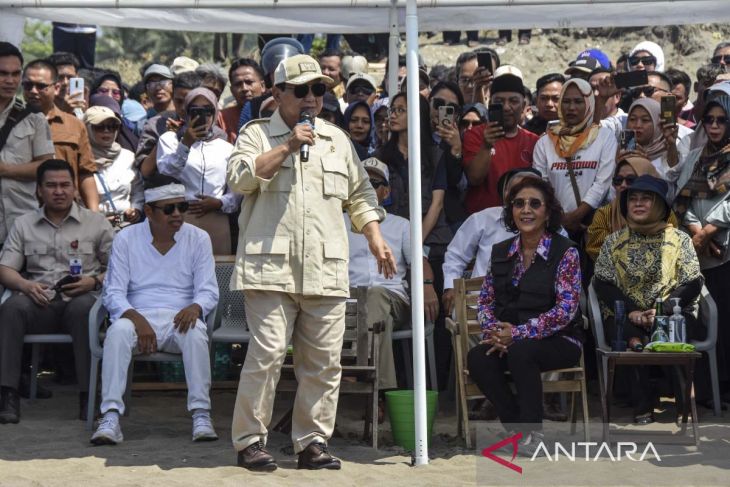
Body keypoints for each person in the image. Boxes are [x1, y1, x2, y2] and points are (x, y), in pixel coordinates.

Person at [227, 54, 396, 471]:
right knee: (266, 354)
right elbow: (240, 179)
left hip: (325, 266)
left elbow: (360, 195)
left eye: (318, 89)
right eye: (300, 90)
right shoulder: (256, 134)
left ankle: (312, 442)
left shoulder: (338, 140)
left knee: (323, 362)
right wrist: (287, 145)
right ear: (278, 93)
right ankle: (250, 441)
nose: (311, 98)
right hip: (271, 267)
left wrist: (374, 235)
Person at [90, 183, 219, 445]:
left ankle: (201, 414)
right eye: (168, 209)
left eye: (182, 207)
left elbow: (208, 290)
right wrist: (137, 319)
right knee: (117, 333)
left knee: (195, 333)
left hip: (180, 317)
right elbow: (113, 292)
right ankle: (110, 417)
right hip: (136, 315)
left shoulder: (198, 237)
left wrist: (195, 307)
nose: (177, 214)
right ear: (148, 211)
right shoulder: (126, 238)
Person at [466, 177, 583, 454]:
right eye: (519, 204)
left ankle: (533, 433)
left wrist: (516, 334)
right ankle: (518, 430)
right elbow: (485, 302)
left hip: (559, 339)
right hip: (511, 339)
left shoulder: (565, 252)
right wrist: (495, 332)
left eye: (534, 204)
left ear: (548, 212)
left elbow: (565, 310)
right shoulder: (502, 252)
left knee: (521, 352)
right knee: (478, 358)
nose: (526, 210)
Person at [0, 159, 114, 424]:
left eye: (65, 185)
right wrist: (26, 285)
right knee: (10, 309)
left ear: (75, 188)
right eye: (51, 185)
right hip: (40, 301)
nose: (59, 191)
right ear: (39, 190)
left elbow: (120, 269)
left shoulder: (96, 223)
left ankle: (90, 396)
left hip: (82, 300)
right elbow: (5, 269)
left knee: (83, 309)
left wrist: (94, 281)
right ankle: (7, 395)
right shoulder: (24, 224)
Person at [594, 175, 703, 423]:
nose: (638, 204)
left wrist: (662, 310)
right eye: (633, 199)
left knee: (665, 328)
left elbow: (692, 282)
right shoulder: (613, 241)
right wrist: (631, 311)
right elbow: (602, 282)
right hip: (626, 314)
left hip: (673, 312)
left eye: (646, 199)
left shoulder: (679, 239)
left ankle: (684, 402)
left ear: (660, 206)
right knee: (629, 333)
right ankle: (642, 403)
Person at [346, 158, 438, 393]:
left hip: (393, 300)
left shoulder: (402, 225)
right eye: (361, 181)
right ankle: (380, 392)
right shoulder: (337, 224)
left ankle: (365, 380)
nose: (367, 187)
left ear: (385, 191)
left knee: (375, 296)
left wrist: (427, 285)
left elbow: (421, 261)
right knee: (377, 318)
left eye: (374, 183)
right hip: (348, 302)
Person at [672, 93, 730, 396]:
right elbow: (685, 196)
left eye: (722, 120)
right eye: (708, 120)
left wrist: (709, 231)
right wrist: (698, 233)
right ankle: (709, 391)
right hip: (701, 251)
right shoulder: (697, 156)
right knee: (707, 321)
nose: (714, 126)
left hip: (725, 247)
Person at [442, 168, 542, 314]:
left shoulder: (554, 231)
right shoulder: (483, 219)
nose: (525, 205)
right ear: (506, 194)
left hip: (535, 314)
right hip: (481, 309)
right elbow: (456, 255)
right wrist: (451, 286)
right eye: (517, 193)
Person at [157, 87, 240, 255]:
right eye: (195, 110)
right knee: (179, 275)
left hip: (216, 217)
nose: (203, 116)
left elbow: (236, 190)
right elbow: (166, 171)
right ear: (186, 113)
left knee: (217, 275)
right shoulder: (170, 141)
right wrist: (185, 144)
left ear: (216, 113)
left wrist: (220, 202)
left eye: (208, 111)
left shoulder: (227, 148)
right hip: (179, 217)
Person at [533, 78, 617, 241]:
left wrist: (577, 215)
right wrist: (561, 217)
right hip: (556, 227)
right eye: (566, 101)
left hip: (594, 227)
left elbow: (602, 183)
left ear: (589, 103)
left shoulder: (604, 137)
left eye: (578, 101)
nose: (571, 107)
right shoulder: (545, 142)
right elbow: (541, 184)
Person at [21, 59, 99, 211]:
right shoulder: (10, 125)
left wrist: (95, 215)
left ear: (56, 88)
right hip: (23, 211)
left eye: (41, 86)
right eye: (28, 85)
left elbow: (85, 173)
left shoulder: (74, 125)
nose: (33, 91)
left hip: (67, 214)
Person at [0, 42, 56, 244]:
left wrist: (5, 170)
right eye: (3, 73)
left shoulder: (33, 117)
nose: (10, 80)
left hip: (22, 223)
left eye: (15, 74)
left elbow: (46, 166)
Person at [462, 74, 539, 213]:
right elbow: (474, 178)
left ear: (523, 106)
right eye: (499, 101)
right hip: (482, 221)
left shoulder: (534, 141)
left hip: (522, 219)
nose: (506, 107)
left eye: (513, 101)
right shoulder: (474, 135)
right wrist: (486, 145)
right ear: (490, 104)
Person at [586, 155, 678, 260]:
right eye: (618, 180)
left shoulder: (664, 214)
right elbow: (597, 251)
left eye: (630, 180)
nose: (623, 185)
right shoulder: (605, 214)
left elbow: (672, 253)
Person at [136, 71, 203, 180]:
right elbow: (145, 171)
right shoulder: (155, 124)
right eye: (179, 101)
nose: (182, 108)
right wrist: (166, 137)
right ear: (172, 97)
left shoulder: (209, 125)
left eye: (189, 102)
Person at [84, 106, 143, 225]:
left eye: (112, 127)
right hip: (92, 227)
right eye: (100, 127)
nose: (107, 131)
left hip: (125, 227)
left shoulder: (127, 157)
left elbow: (138, 189)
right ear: (86, 129)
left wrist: (136, 209)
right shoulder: (80, 159)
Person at [625, 98, 679, 179]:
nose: (637, 125)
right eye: (632, 119)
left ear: (658, 123)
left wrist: (645, 164)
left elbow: (672, 177)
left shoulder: (669, 154)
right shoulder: (618, 151)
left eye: (645, 120)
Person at [220, 58, 265, 143]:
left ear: (262, 86)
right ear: (232, 90)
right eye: (238, 84)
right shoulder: (222, 119)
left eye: (249, 82)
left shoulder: (276, 113)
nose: (244, 88)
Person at [46, 51, 85, 116]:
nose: (65, 83)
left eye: (70, 77)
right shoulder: (40, 111)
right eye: (60, 77)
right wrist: (64, 113)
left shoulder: (79, 109)